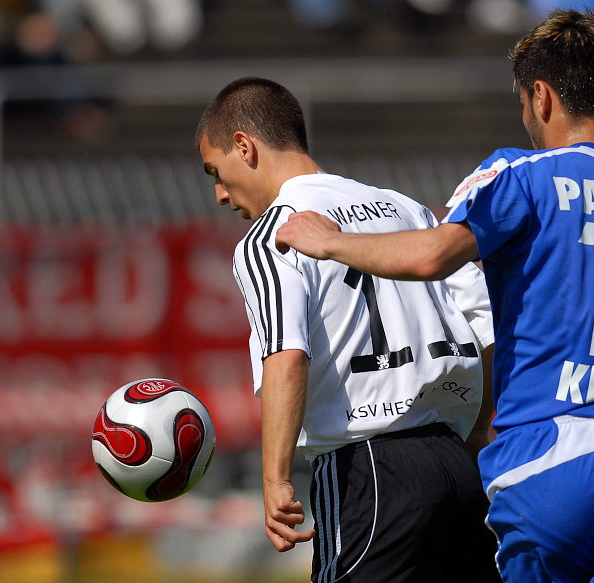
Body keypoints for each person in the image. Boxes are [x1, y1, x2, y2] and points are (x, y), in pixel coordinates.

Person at [276, 9, 594, 582]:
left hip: (548, 454)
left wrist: (332, 241)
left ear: (541, 96)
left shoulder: (521, 173)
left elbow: (432, 256)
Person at [195, 77, 500, 583]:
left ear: (245, 147)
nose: (220, 194)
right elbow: (490, 328)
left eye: (216, 172)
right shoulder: (406, 208)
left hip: (370, 473)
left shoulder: (272, 235)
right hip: (458, 468)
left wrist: (274, 480)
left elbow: (286, 354)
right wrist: (474, 432)